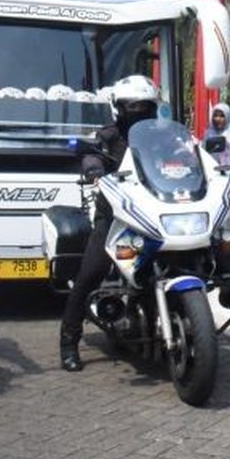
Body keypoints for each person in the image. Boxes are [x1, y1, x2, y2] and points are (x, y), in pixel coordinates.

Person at [59, 75, 159, 371]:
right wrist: (94, 170)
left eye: (145, 105)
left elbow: (185, 153)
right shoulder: (108, 135)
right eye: (133, 106)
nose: (139, 111)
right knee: (92, 272)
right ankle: (69, 339)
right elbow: (91, 156)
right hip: (115, 217)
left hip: (152, 214)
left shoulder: (161, 134)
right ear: (119, 107)